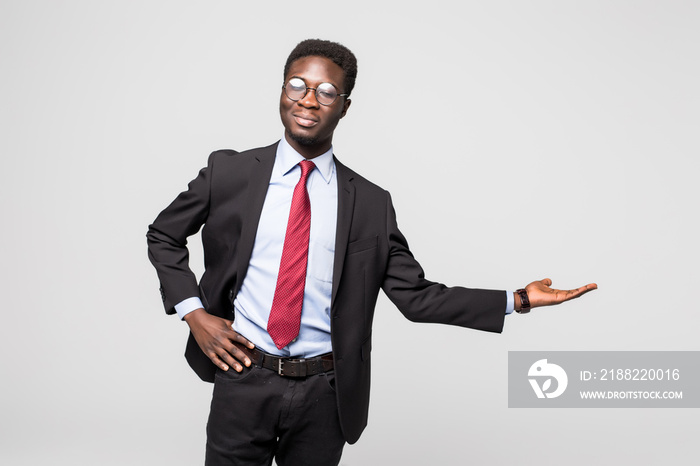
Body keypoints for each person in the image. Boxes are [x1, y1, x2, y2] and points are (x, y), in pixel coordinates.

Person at [147, 38, 597, 465]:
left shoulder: (370, 203)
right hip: (244, 376)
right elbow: (164, 235)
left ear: (344, 107)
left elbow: (417, 297)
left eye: (326, 92)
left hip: (325, 393)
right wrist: (195, 314)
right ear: (282, 90)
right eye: (297, 85)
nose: (308, 100)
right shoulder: (230, 172)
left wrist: (517, 300)